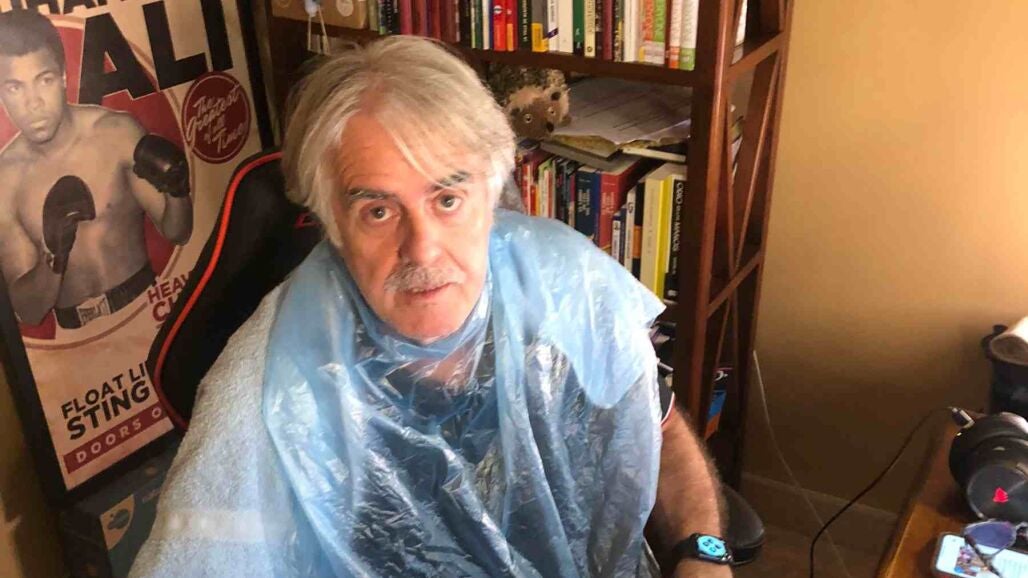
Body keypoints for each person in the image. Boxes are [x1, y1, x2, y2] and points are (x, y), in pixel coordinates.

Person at [130, 36, 729, 578]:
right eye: (378, 210)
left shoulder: (564, 286)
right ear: (332, 221)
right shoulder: (273, 380)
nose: (422, 248)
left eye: (447, 198)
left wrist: (702, 552)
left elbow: (656, 427)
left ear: (491, 192)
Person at [0, 9, 193, 331]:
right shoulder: (4, 181)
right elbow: (29, 311)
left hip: (148, 309)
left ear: (63, 77)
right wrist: (54, 256)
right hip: (80, 343)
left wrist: (177, 190)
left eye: (44, 80)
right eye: (15, 88)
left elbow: (178, 232)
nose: (33, 103)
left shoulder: (116, 133)